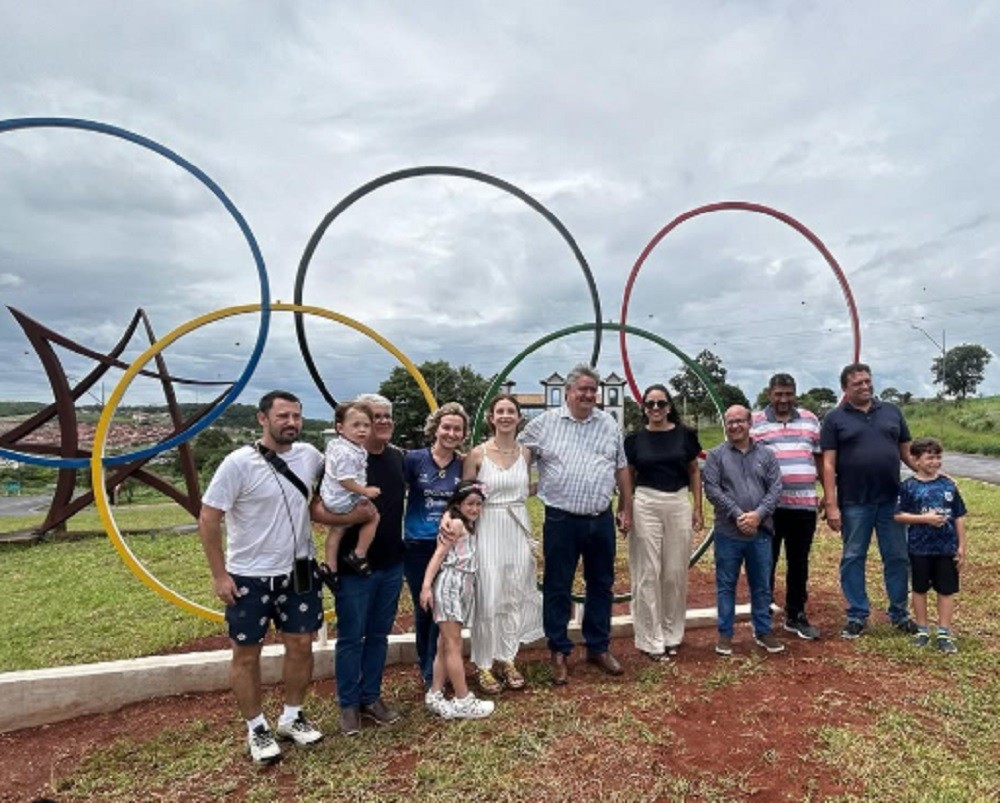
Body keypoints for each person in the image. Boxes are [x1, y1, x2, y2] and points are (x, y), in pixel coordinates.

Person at [198, 390, 326, 764]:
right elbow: (208, 518)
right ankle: (256, 726)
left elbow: (334, 489)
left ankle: (292, 715)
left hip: (299, 569)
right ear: (262, 419)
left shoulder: (311, 456)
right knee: (246, 653)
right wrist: (220, 576)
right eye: (283, 416)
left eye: (297, 417)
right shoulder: (238, 463)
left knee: (301, 645)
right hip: (250, 575)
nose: (291, 423)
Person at [520, 364, 633, 684]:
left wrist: (627, 506)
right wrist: (523, 485)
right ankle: (559, 650)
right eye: (582, 389)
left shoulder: (608, 423)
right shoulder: (544, 424)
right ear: (568, 391)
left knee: (601, 584)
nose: (587, 395)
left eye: (592, 390)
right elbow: (519, 453)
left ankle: (598, 646)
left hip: (600, 518)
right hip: (561, 519)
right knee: (558, 586)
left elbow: (621, 467)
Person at [311, 393, 406, 736]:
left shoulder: (398, 459)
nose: (380, 422)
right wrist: (357, 513)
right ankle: (348, 704)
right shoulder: (341, 456)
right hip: (354, 570)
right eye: (372, 417)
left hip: (392, 563)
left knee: (379, 635)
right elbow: (316, 509)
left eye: (385, 416)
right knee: (352, 637)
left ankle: (372, 697)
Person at [820, 362, 918, 638]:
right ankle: (857, 615)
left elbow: (907, 454)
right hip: (854, 502)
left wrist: (931, 475)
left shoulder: (892, 412)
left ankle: (899, 613)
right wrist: (831, 504)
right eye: (857, 383)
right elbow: (828, 464)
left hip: (892, 500)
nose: (864, 386)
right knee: (853, 557)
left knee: (898, 557)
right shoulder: (834, 419)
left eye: (867, 381)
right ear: (845, 389)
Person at [462, 394, 544, 694]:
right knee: (489, 595)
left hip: (518, 526)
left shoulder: (526, 454)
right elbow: (464, 498)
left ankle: (507, 657)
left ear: (519, 417)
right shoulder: (477, 454)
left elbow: (530, 487)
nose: (506, 416)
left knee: (513, 593)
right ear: (491, 417)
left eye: (511, 411)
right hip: (488, 526)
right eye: (500, 411)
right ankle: (483, 662)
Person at [624, 384, 703, 660]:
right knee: (647, 572)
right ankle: (650, 639)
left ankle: (672, 634)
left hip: (678, 501)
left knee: (674, 572)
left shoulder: (686, 436)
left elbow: (694, 471)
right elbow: (627, 477)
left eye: (660, 403)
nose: (655, 409)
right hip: (645, 501)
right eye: (650, 404)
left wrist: (698, 508)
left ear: (669, 406)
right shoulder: (634, 440)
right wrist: (626, 510)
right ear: (643, 409)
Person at [703, 405, 785, 656]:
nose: (735, 426)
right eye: (730, 422)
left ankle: (763, 631)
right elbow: (712, 490)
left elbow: (775, 489)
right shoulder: (716, 456)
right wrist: (739, 515)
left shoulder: (767, 456)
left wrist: (758, 515)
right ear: (725, 426)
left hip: (760, 533)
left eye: (740, 421)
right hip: (729, 532)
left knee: (761, 585)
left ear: (750, 423)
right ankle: (725, 634)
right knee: (726, 585)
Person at [750, 373, 824, 640]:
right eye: (778, 394)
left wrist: (829, 493)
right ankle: (763, 615)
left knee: (798, 561)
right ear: (769, 394)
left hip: (803, 505)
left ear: (795, 394)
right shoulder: (755, 423)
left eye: (788, 394)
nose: (784, 399)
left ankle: (795, 614)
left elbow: (819, 459)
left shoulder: (810, 421)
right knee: (765, 561)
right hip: (768, 507)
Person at [402, 401, 468, 689]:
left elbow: (465, 502)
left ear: (463, 434)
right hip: (418, 543)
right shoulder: (414, 460)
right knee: (425, 607)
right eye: (446, 427)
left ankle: (440, 668)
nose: (451, 433)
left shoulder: (463, 464)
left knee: (446, 609)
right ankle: (427, 669)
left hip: (450, 547)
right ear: (436, 429)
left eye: (457, 429)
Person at [420, 481, 496, 719]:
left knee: (445, 644)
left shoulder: (466, 523)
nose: (474, 509)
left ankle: (435, 693)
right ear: (458, 504)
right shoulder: (456, 523)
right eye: (469, 504)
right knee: (453, 644)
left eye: (478, 504)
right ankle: (463, 699)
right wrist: (425, 587)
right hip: (451, 585)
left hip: (462, 586)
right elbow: (439, 555)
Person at [893, 437, 967, 653]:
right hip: (919, 548)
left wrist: (961, 546)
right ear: (915, 460)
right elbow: (898, 515)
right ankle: (922, 630)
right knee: (919, 588)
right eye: (929, 457)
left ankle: (944, 632)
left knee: (946, 590)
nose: (935, 462)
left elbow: (959, 516)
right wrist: (925, 519)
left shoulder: (948, 485)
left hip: (946, 548)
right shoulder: (908, 486)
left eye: (938, 457)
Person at [318, 401, 381, 591]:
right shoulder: (347, 453)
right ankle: (359, 553)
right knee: (373, 516)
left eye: (366, 425)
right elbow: (346, 480)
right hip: (343, 499)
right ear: (340, 428)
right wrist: (366, 491)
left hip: (330, 496)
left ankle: (330, 567)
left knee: (337, 531)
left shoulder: (338, 446)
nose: (362, 430)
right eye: (356, 425)